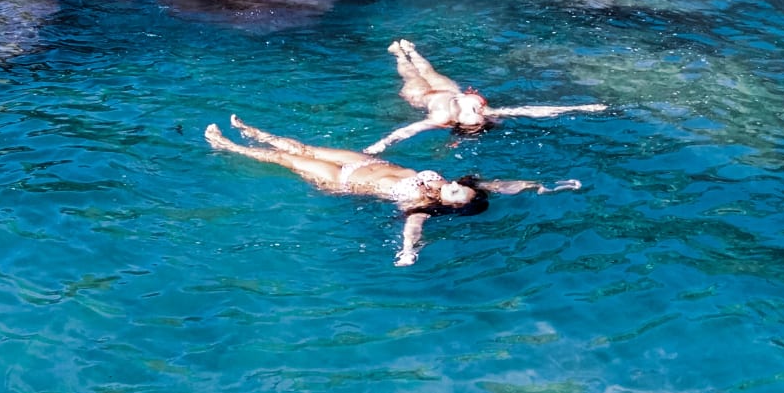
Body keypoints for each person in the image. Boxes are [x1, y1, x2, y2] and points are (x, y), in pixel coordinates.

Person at [205, 115, 579, 266]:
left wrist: (408, 251)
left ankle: (229, 146)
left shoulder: (421, 206)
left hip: (344, 182)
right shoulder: (459, 185)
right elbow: (502, 185)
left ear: (448, 206)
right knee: (306, 148)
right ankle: (253, 132)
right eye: (458, 188)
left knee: (287, 160)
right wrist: (543, 186)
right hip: (367, 163)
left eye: (454, 194)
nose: (453, 186)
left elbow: (412, 229)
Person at [364, 39, 608, 154]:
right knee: (429, 71)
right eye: (476, 116)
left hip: (422, 96)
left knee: (411, 76)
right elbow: (531, 110)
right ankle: (412, 51)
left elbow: (408, 131)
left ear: (457, 123)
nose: (473, 111)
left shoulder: (439, 119)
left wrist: (382, 144)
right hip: (447, 90)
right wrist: (580, 108)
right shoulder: (486, 112)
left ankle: (399, 54)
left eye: (470, 116)